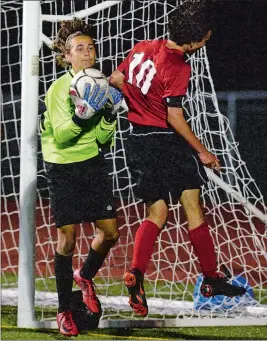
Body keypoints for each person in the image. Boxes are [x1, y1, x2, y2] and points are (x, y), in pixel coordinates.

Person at [110, 0, 246, 317]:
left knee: (156, 213)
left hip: (137, 140)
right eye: (205, 39)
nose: (205, 43)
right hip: (166, 142)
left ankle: (136, 274)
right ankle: (211, 278)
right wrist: (202, 150)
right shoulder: (180, 65)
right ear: (195, 39)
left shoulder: (142, 46)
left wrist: (134, 97)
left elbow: (116, 79)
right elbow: (174, 116)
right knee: (193, 207)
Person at [41, 18, 122, 336]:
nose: (87, 53)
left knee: (110, 234)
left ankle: (85, 276)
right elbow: (62, 136)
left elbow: (103, 139)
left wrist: (110, 117)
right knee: (68, 240)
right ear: (67, 57)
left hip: (92, 164)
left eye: (91, 48)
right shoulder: (59, 89)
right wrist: (81, 114)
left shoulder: (99, 83)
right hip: (62, 167)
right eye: (80, 49)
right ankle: (64, 311)